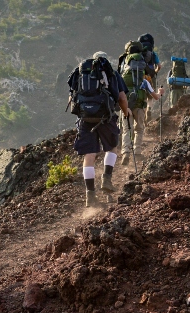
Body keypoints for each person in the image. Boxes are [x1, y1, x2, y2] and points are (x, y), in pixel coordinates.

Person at [68, 51, 132, 207]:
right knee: (111, 148)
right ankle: (106, 179)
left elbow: (72, 98)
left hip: (85, 119)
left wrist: (84, 112)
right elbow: (122, 98)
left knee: (89, 156)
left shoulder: (80, 73)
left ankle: (90, 195)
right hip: (106, 118)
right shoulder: (112, 73)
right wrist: (126, 112)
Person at [120, 65, 164, 166]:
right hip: (139, 108)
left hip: (126, 108)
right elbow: (155, 97)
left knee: (127, 129)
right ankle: (137, 152)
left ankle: (125, 153)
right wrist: (160, 93)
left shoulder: (122, 79)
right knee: (139, 129)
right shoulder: (144, 81)